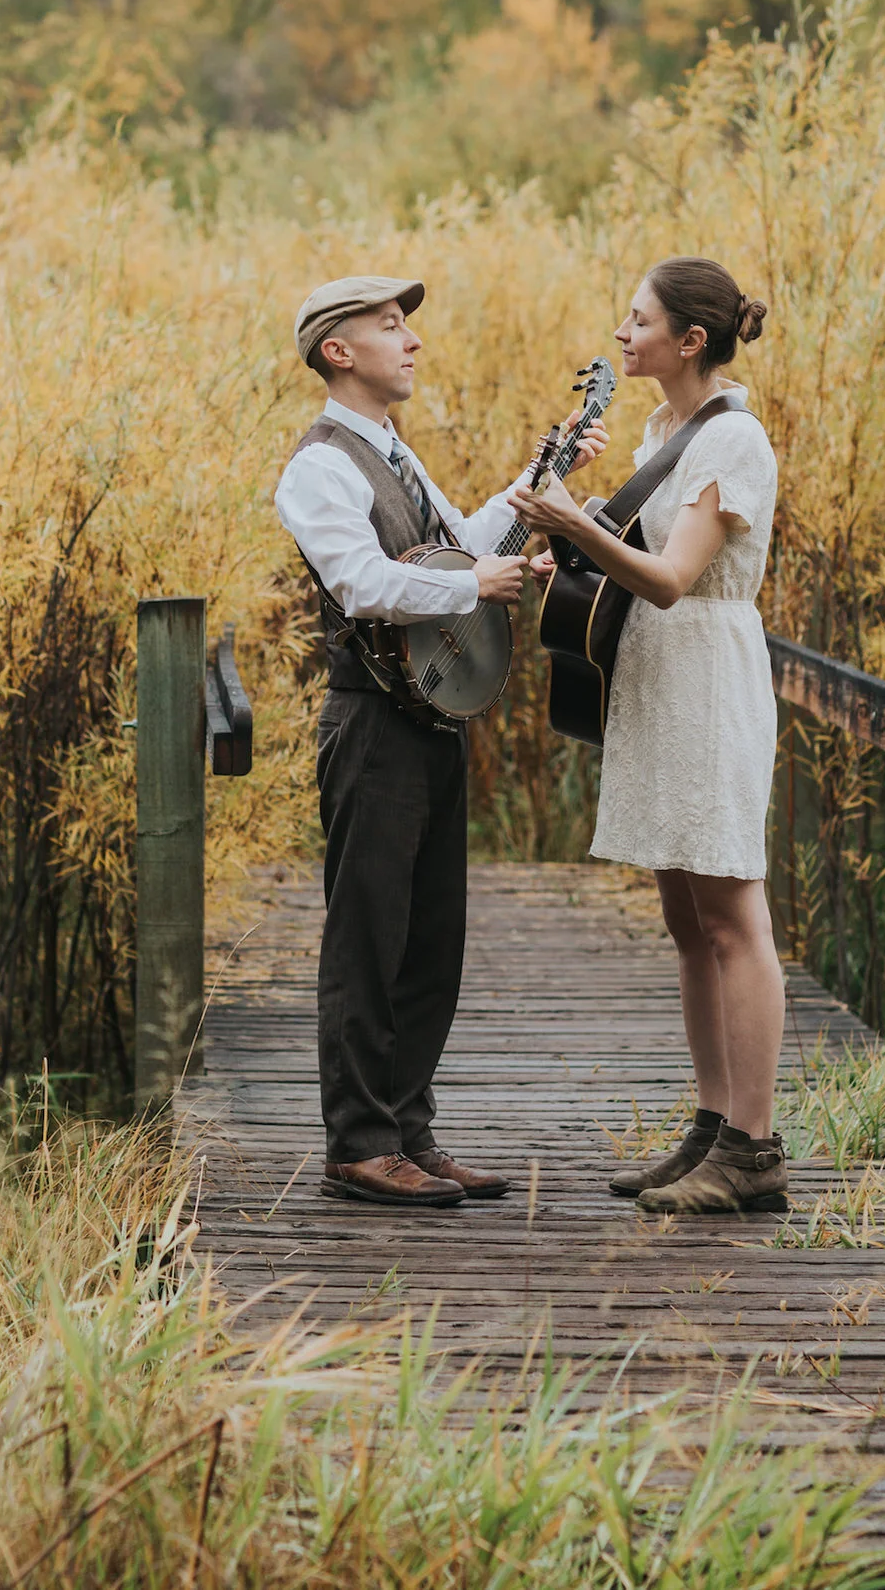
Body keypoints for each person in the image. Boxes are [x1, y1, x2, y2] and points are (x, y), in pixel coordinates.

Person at [276, 274, 605, 1211]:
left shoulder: (395, 452)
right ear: (339, 351)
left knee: (431, 940)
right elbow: (360, 582)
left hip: (431, 723)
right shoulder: (320, 466)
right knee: (368, 937)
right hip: (372, 726)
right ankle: (359, 1145)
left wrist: (542, 485)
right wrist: (473, 588)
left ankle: (409, 1134)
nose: (412, 341)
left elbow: (460, 541)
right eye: (390, 326)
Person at [509, 257, 788, 1215]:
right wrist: (571, 562)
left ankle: (753, 1151)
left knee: (733, 918)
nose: (622, 335)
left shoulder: (732, 439)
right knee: (687, 923)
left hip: (706, 682)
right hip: (658, 683)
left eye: (638, 321)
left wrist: (574, 524)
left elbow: (672, 580)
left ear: (690, 340)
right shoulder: (664, 430)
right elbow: (639, 568)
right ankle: (710, 1130)